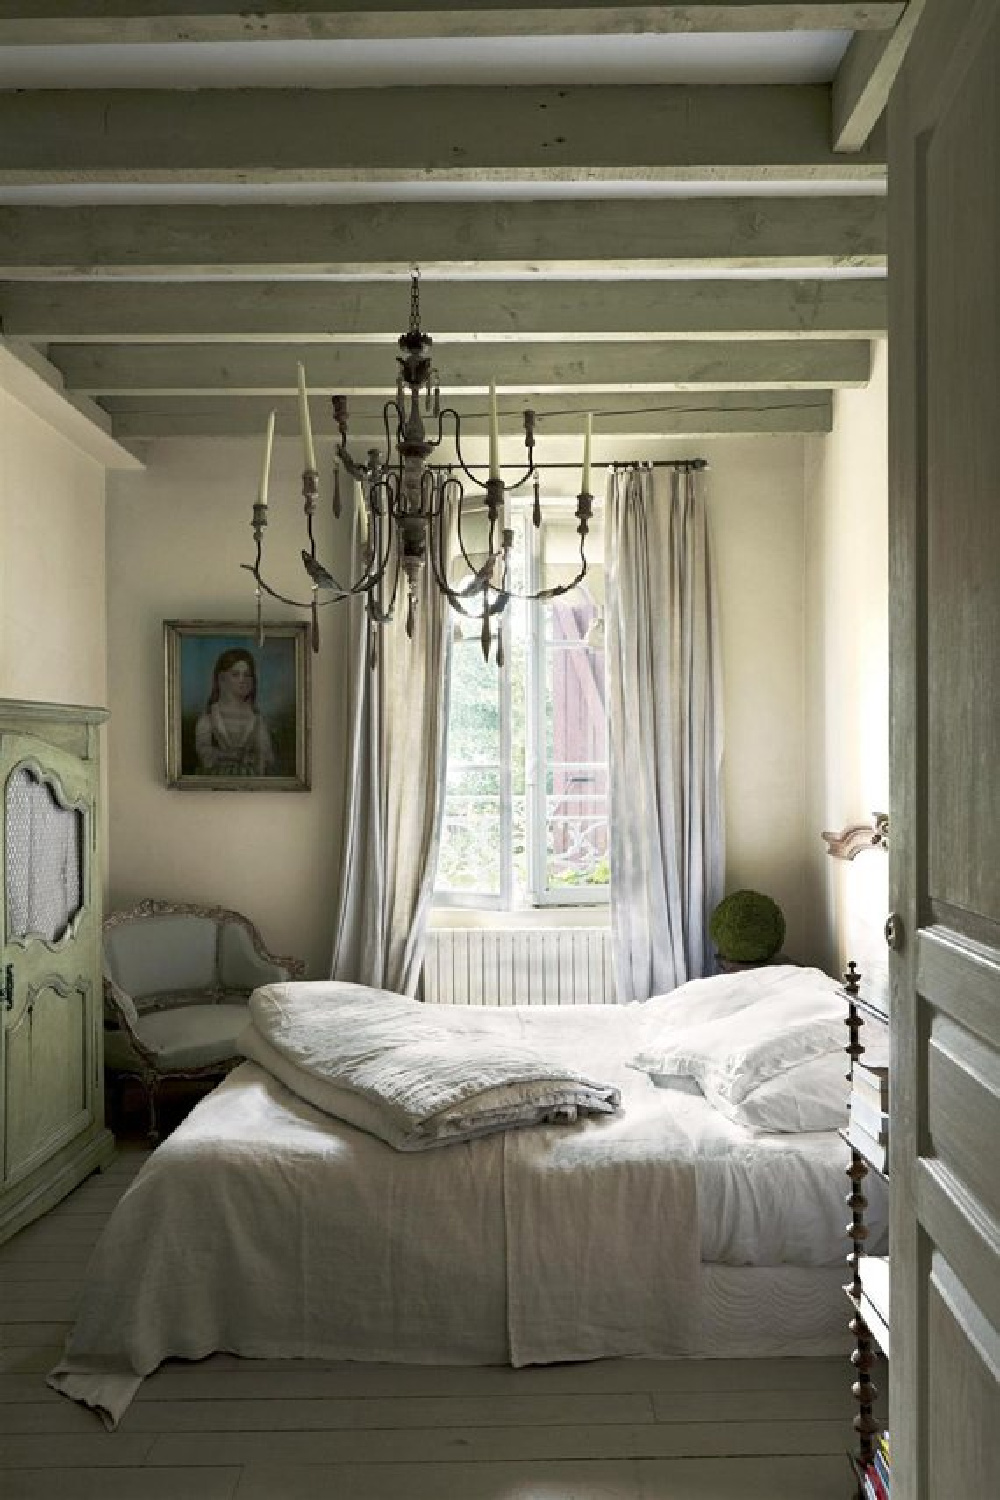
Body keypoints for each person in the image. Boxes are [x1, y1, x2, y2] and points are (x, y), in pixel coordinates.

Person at [194, 647, 275, 777]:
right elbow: (204, 753)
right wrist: (228, 755)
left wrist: (254, 759)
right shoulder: (210, 717)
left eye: (247, 675)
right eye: (235, 674)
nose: (243, 680)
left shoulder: (256, 719)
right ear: (222, 678)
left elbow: (267, 756)